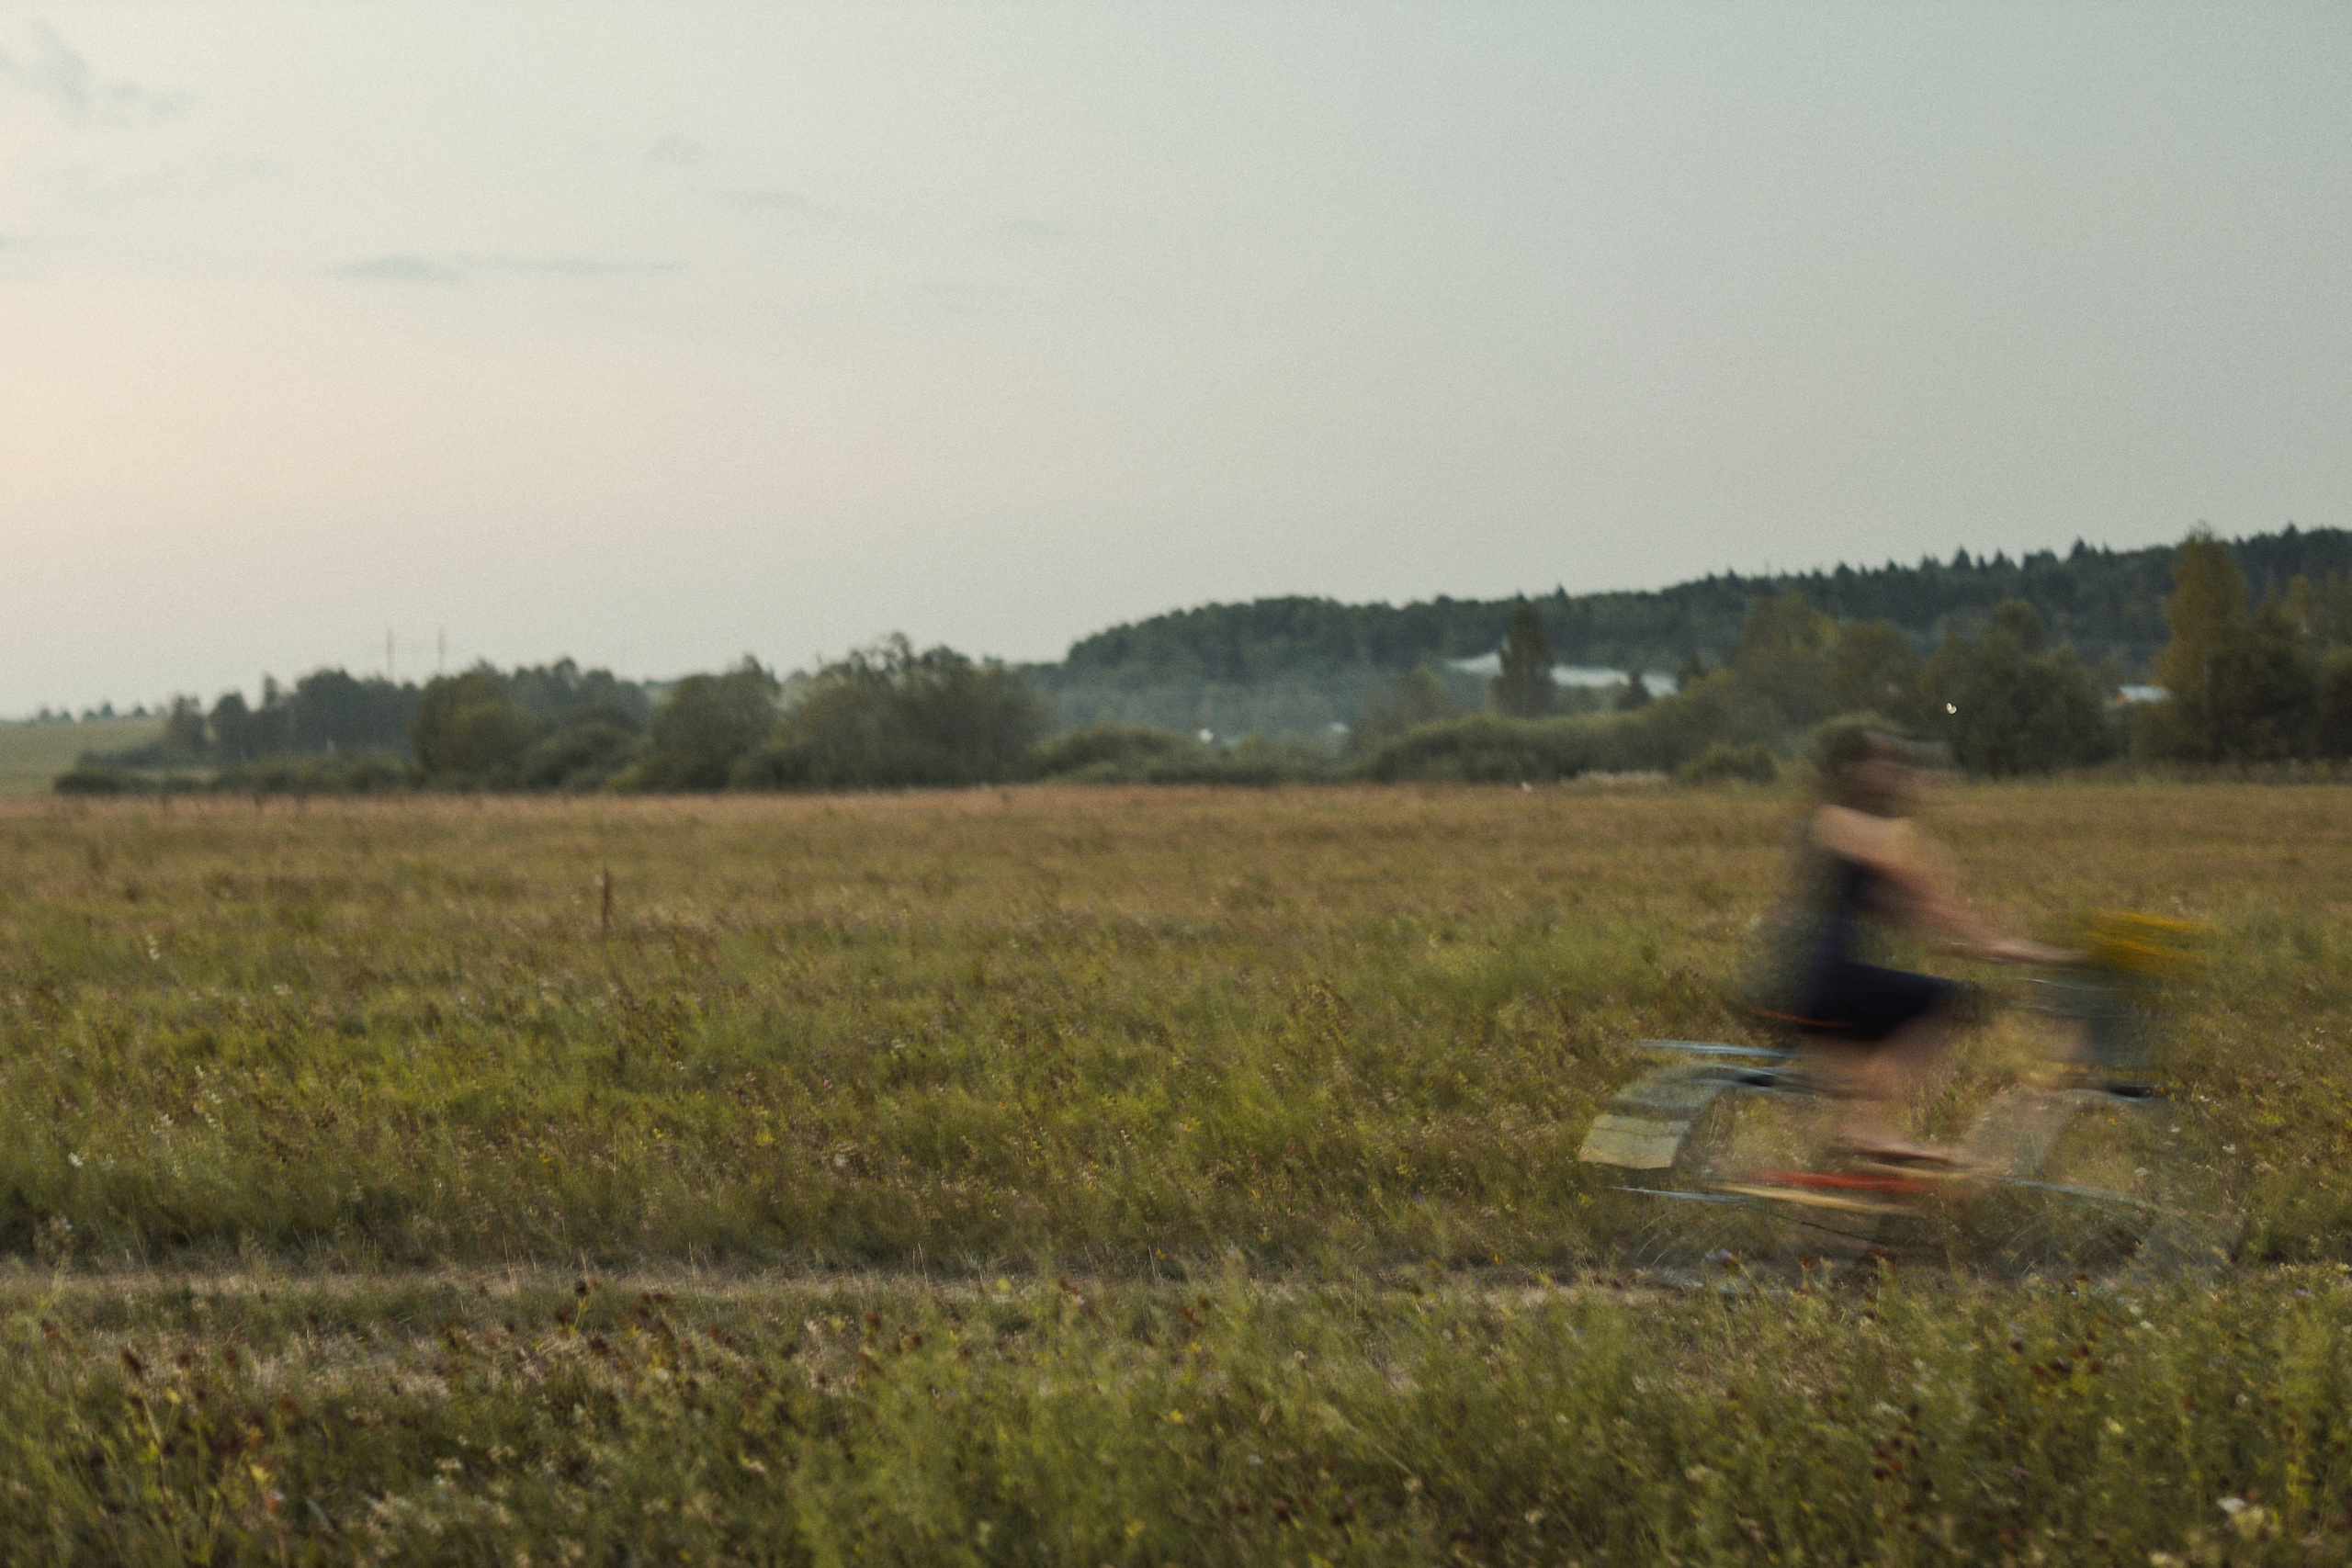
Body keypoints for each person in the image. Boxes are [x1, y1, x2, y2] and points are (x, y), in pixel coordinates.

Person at [1767, 721, 2074, 1162]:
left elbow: (1916, 917)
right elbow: (1921, 894)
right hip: (1821, 981)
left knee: (1873, 1050)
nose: (1898, 773)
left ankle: (1857, 1156)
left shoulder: (1836, 826)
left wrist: (2008, 948)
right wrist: (1999, 945)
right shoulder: (1845, 820)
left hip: (1801, 981)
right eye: (1886, 763)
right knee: (1946, 1001)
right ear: (1853, 769)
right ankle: (1866, 1127)